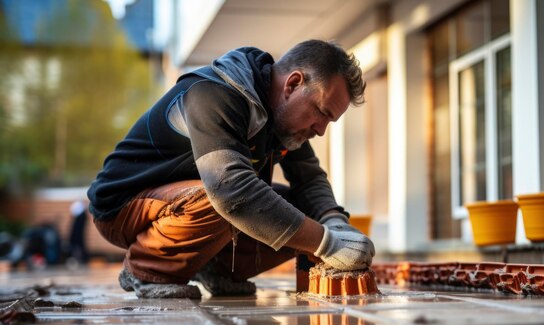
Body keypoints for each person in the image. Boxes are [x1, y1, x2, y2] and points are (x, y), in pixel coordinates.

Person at [87, 39, 375, 299]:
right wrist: (328, 244)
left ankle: (216, 269)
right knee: (229, 196)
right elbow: (231, 190)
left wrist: (334, 221)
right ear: (293, 84)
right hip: (124, 207)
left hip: (187, 203)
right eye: (322, 112)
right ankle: (147, 269)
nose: (321, 130)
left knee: (302, 210)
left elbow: (310, 179)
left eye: (329, 121)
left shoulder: (285, 124)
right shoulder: (213, 94)